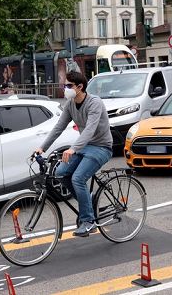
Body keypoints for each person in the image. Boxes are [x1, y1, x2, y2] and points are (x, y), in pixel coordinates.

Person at [35, 71, 113, 237]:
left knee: (78, 178)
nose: (65, 88)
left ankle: (88, 221)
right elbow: (58, 127)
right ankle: (88, 199)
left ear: (80, 87)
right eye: (65, 85)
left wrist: (73, 149)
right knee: (60, 173)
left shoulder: (94, 103)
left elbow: (90, 129)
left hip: (101, 147)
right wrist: (42, 147)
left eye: (69, 86)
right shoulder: (70, 104)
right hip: (85, 146)